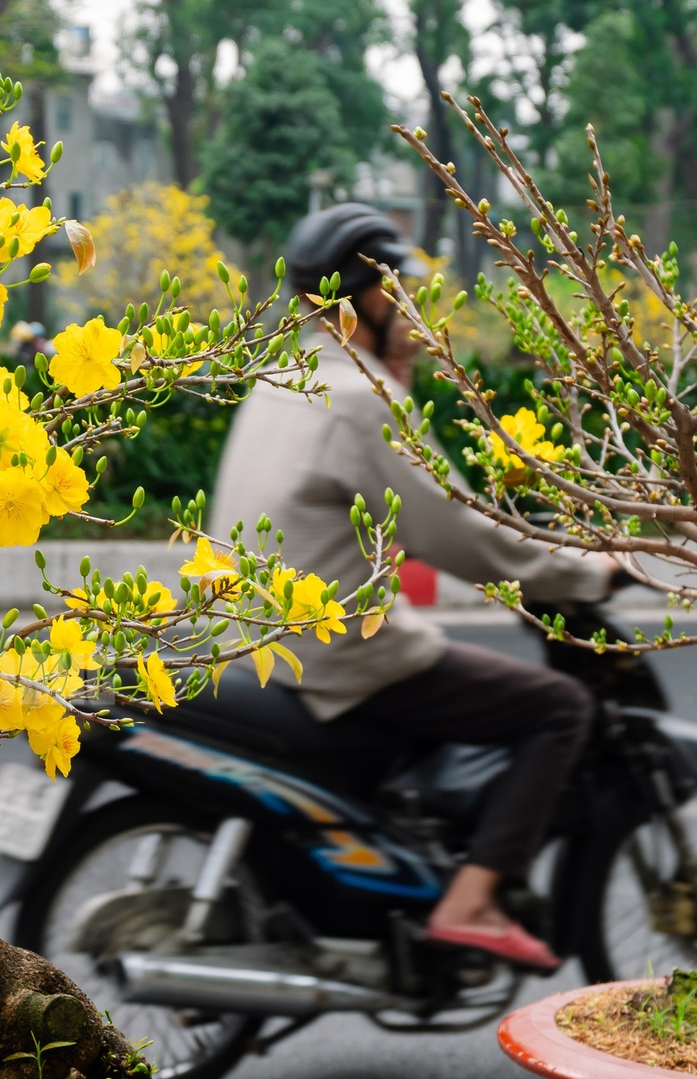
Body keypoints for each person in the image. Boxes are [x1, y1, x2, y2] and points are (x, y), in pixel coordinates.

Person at [210, 203, 615, 973]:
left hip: (255, 642)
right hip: (342, 656)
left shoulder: (280, 379)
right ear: (368, 297)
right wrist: (584, 571)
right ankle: (469, 904)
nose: (414, 314)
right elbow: (460, 535)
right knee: (560, 708)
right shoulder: (360, 400)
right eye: (400, 293)